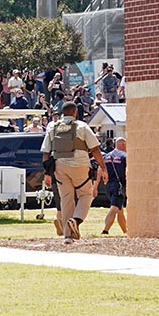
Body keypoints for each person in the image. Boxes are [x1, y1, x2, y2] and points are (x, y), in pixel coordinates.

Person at [42, 101, 107, 244]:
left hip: (59, 166)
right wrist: (104, 168)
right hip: (80, 165)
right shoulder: (82, 126)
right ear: (75, 112)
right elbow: (95, 149)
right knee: (86, 194)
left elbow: (46, 152)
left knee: (66, 199)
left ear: (61, 113)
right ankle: (76, 220)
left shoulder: (52, 127)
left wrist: (47, 173)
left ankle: (68, 236)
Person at [101, 137, 128, 235]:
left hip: (108, 186)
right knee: (114, 208)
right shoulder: (125, 156)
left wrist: (96, 186)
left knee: (119, 210)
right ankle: (105, 230)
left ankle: (125, 231)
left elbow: (101, 170)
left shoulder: (107, 156)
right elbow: (127, 171)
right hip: (119, 186)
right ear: (124, 144)